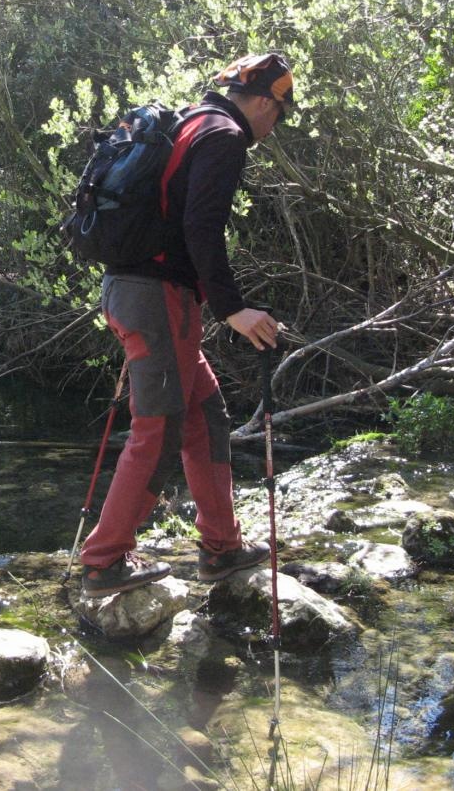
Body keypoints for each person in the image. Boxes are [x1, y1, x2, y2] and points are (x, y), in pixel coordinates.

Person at [80, 52, 295, 598]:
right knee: (159, 428)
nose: (276, 126)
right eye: (280, 112)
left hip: (132, 292)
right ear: (266, 101)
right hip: (157, 299)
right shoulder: (223, 135)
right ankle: (104, 562)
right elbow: (203, 228)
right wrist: (233, 310)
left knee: (204, 413)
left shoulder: (190, 119)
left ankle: (221, 547)